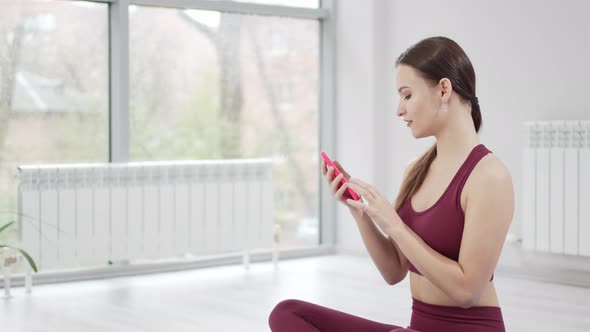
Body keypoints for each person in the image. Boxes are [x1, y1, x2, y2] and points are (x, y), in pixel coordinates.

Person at [268, 36, 514, 332]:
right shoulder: (417, 170)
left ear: (444, 89)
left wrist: (395, 225)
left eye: (407, 95)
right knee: (288, 313)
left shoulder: (489, 177)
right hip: (417, 328)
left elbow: (467, 291)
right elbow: (394, 270)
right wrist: (358, 211)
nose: (399, 110)